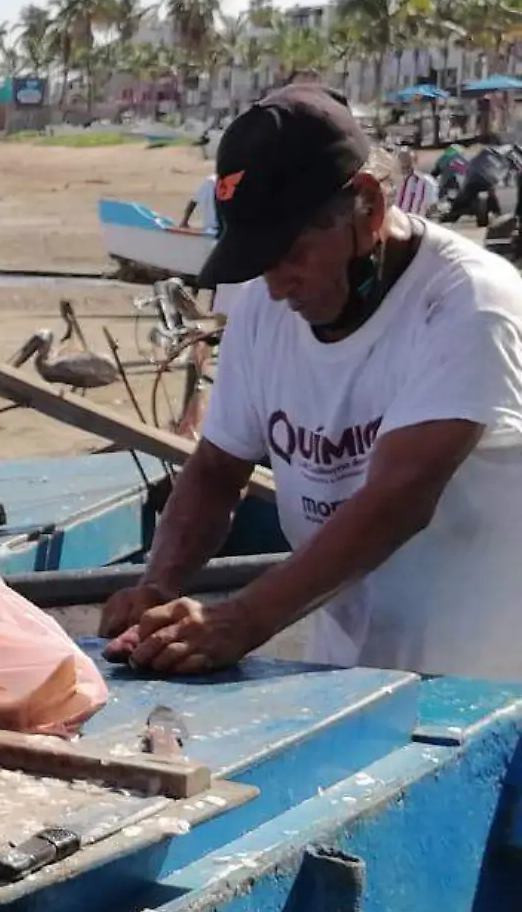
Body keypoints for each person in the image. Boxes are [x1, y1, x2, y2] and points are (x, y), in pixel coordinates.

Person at [99, 85, 522, 681]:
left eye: (292, 253)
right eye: (259, 262)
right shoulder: (263, 305)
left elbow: (399, 499)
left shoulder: (467, 303)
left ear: (368, 208)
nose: (276, 286)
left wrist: (242, 619)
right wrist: (158, 582)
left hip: (480, 683)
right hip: (344, 667)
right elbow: (219, 468)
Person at [390, 147, 439, 216]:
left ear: (415, 161)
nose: (404, 161)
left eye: (407, 158)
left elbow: (432, 208)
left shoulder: (426, 182)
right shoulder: (390, 181)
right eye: (401, 158)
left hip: (414, 223)